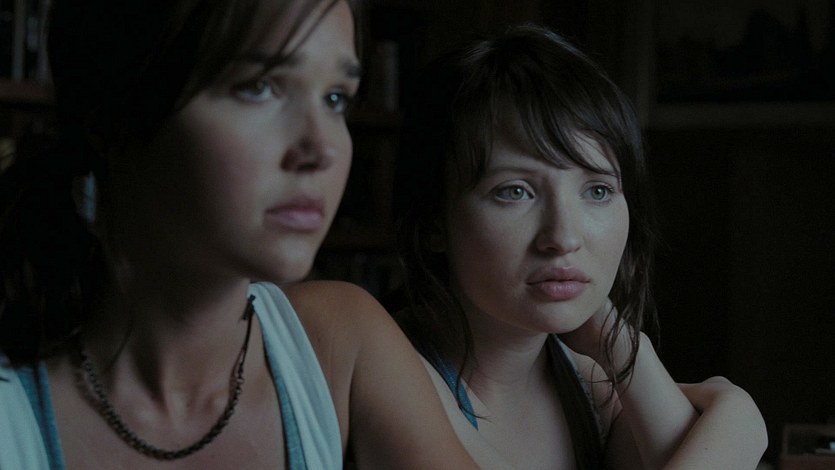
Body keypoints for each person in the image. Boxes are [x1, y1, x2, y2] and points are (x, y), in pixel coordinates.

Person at [0, 0, 480, 468]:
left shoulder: (339, 343)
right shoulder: (14, 417)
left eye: (335, 98)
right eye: (259, 87)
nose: (322, 149)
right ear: (114, 114)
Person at [392, 24, 767, 469]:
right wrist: (736, 417)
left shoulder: (591, 389)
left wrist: (623, 345)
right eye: (515, 192)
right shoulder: (391, 376)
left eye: (598, 191)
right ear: (434, 221)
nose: (565, 238)